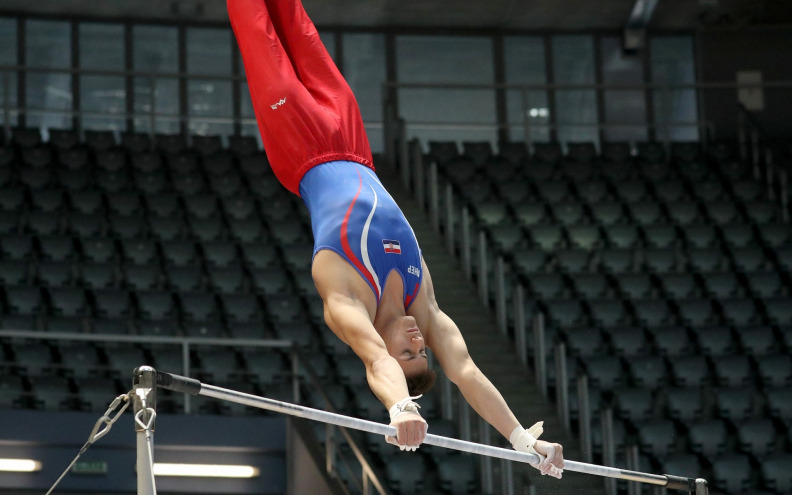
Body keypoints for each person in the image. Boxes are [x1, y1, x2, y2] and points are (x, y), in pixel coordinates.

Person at [227, 0, 564, 478]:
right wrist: (523, 438)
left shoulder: (346, 300)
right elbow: (466, 371)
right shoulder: (420, 300)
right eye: (422, 351)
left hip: (299, 147)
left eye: (408, 352)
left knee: (257, 27)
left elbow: (374, 362)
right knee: (296, 23)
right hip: (353, 144)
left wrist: (401, 408)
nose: (418, 341)